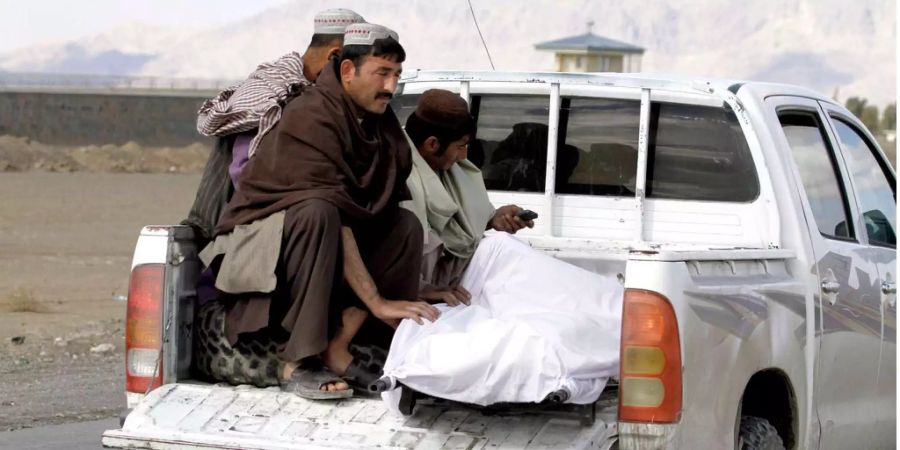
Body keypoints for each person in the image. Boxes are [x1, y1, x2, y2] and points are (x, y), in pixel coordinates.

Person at [198, 22, 439, 399]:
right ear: (347, 70)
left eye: (396, 75)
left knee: (404, 225)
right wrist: (375, 299)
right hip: (262, 244)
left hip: (329, 232)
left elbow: (380, 200)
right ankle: (300, 361)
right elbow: (333, 211)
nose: (392, 87)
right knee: (320, 211)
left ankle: (340, 346)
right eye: (382, 73)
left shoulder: (378, 122)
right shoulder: (310, 115)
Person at [183, 9, 365, 246]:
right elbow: (246, 174)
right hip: (241, 228)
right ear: (335, 56)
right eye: (350, 68)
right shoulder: (272, 95)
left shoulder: (314, 94)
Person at [401, 89, 534, 305]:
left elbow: (459, 223)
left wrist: (493, 219)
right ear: (432, 144)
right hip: (422, 290)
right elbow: (399, 255)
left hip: (458, 277)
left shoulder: (447, 167)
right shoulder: (398, 174)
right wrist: (422, 291)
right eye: (460, 146)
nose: (464, 156)